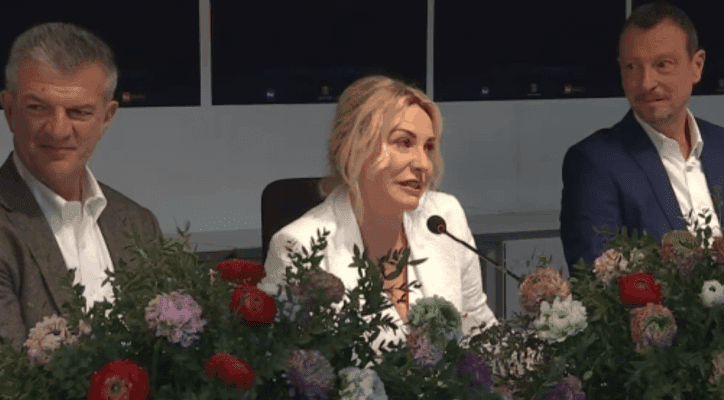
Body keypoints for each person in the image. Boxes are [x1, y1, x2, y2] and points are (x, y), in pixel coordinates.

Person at [261, 75, 497, 352]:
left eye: (428, 147)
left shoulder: (445, 216)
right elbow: (288, 365)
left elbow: (481, 331)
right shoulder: (297, 246)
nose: (424, 164)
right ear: (354, 147)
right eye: (404, 142)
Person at [0, 23, 163, 348]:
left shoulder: (139, 224)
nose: (58, 130)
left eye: (79, 112)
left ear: (107, 117)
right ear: (9, 110)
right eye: (38, 108)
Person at [560, 2, 724, 273]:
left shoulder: (720, 146)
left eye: (662, 65)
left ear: (696, 66)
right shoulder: (595, 163)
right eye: (632, 67)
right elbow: (598, 278)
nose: (646, 82)